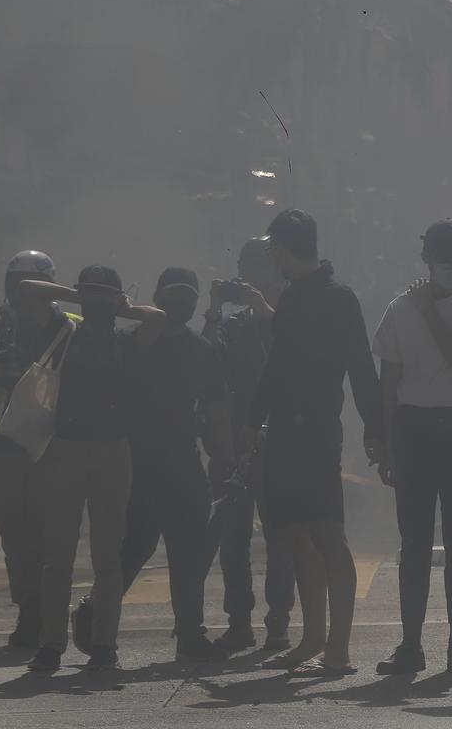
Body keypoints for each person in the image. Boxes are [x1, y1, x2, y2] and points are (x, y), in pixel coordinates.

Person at [246, 209, 384, 677]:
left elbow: (362, 368)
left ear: (284, 250)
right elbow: (273, 369)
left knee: (327, 534)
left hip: (318, 433)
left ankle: (339, 650)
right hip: (282, 433)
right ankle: (313, 639)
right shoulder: (288, 300)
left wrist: (375, 428)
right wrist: (252, 422)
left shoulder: (338, 298)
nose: (273, 259)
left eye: (274, 251)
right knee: (293, 534)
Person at [22, 266, 166, 672]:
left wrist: (118, 304)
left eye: (107, 297)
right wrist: (77, 294)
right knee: (58, 556)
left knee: (107, 557)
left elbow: (157, 319)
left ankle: (104, 644)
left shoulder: (124, 338)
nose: (99, 304)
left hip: (112, 450)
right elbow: (28, 289)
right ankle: (51, 645)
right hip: (66, 448)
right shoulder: (64, 328)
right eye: (93, 296)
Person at [372, 220, 452, 675]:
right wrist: (386, 443)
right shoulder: (398, 308)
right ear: (426, 259)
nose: (449, 266)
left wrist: (428, 309)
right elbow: (388, 383)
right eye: (442, 258)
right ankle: (410, 644)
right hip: (414, 430)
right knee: (415, 543)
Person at [112, 267, 236, 662]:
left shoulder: (203, 350)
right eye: (173, 294)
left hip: (183, 463)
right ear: (157, 297)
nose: (182, 302)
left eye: (188, 295)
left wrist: (226, 459)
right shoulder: (133, 341)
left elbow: (216, 410)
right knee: (135, 547)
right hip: (137, 464)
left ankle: (190, 634)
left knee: (189, 552)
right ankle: (97, 616)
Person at [0, 251, 76, 647]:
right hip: (7, 448)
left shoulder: (63, 328)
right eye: (14, 284)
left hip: (50, 447)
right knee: (16, 542)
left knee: (51, 538)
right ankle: (29, 615)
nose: (19, 294)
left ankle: (51, 618)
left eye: (27, 286)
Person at [203, 237, 296, 654]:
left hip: (277, 442)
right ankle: (239, 621)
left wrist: (262, 307)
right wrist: (212, 310)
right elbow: (204, 363)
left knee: (280, 539)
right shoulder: (233, 326)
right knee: (232, 538)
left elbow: (295, 352)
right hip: (234, 440)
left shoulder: (287, 319)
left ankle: (278, 622)